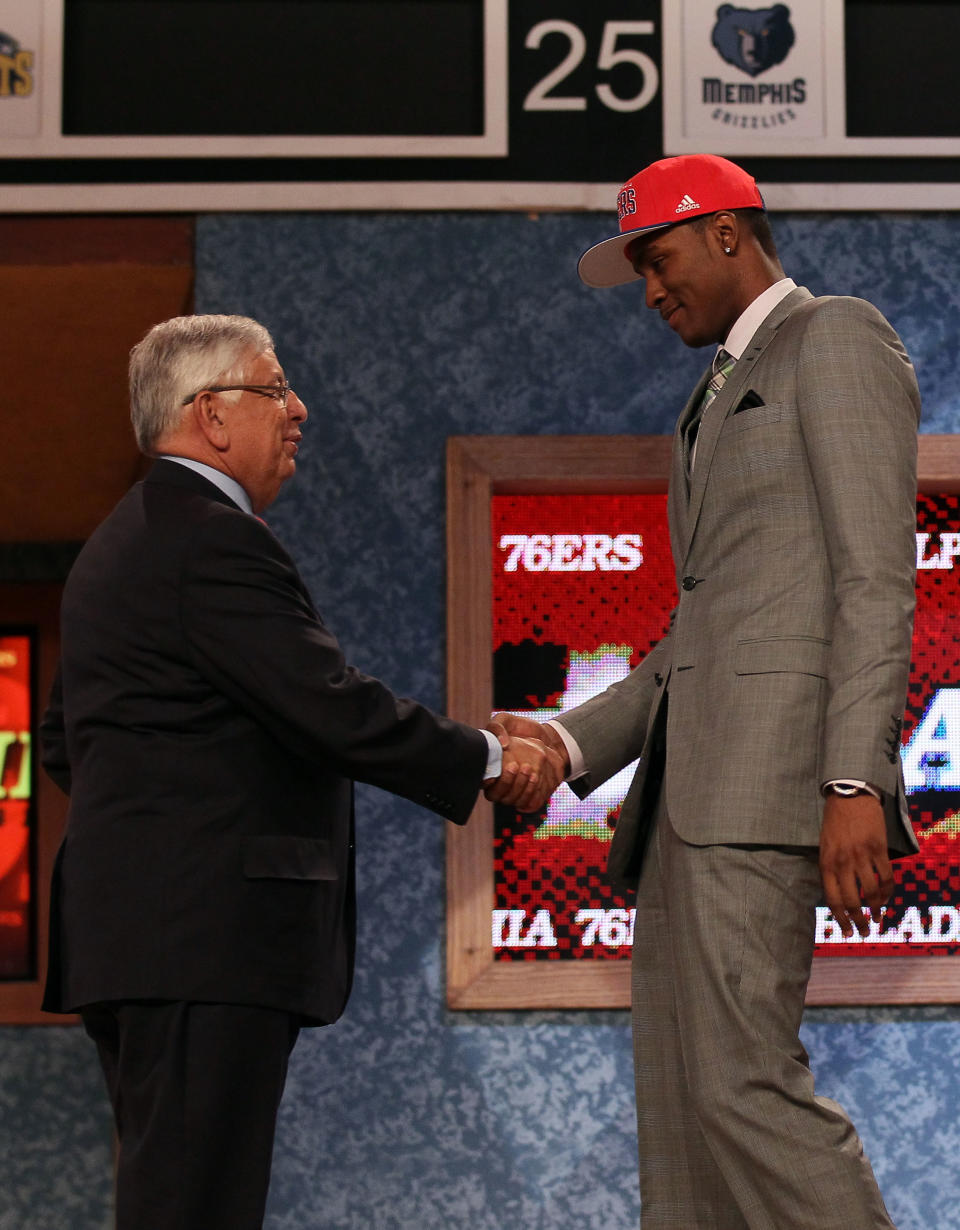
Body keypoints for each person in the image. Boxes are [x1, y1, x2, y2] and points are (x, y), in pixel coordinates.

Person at [40, 314, 561, 1230]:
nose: (299, 409)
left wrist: (163, 818)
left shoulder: (120, 543)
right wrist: (486, 759)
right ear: (209, 414)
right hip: (201, 940)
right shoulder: (208, 538)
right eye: (275, 389)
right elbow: (329, 704)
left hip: (148, 937)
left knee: (175, 1202)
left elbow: (64, 745)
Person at [495, 154, 920, 1228]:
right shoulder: (714, 391)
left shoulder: (833, 336)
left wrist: (850, 777)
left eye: (660, 257)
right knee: (683, 1118)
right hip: (686, 811)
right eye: (639, 270)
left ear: (730, 232)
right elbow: (696, 640)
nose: (650, 289)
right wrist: (563, 737)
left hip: (767, 789)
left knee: (743, 1092)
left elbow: (877, 574)